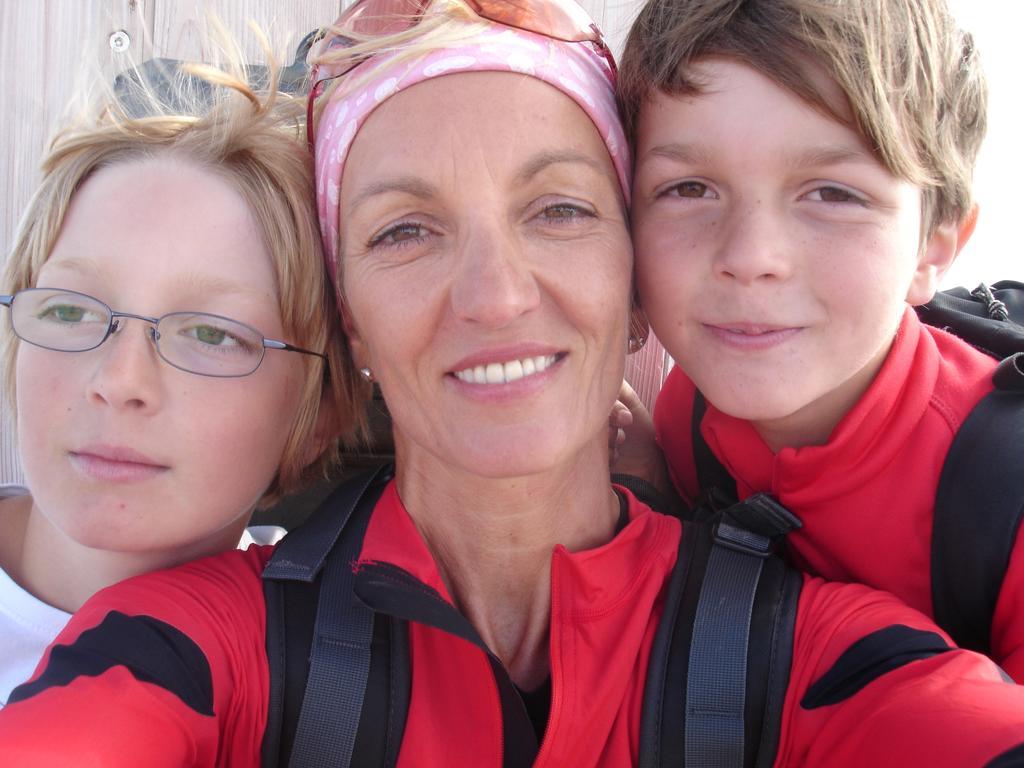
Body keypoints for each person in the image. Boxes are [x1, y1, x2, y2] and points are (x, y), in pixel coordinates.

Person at [3, 2, 1024, 766]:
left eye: (560, 211)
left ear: (636, 286)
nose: (494, 296)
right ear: (348, 313)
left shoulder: (811, 649)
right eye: (404, 229)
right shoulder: (198, 644)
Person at [617, 0, 1024, 680]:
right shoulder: (687, 412)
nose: (751, 256)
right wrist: (654, 483)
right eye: (688, 187)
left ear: (935, 243)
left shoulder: (1005, 502)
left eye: (832, 193)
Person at [0, 44, 364, 706]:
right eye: (69, 309)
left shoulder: (340, 679)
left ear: (321, 417)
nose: (120, 379)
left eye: (210, 334)